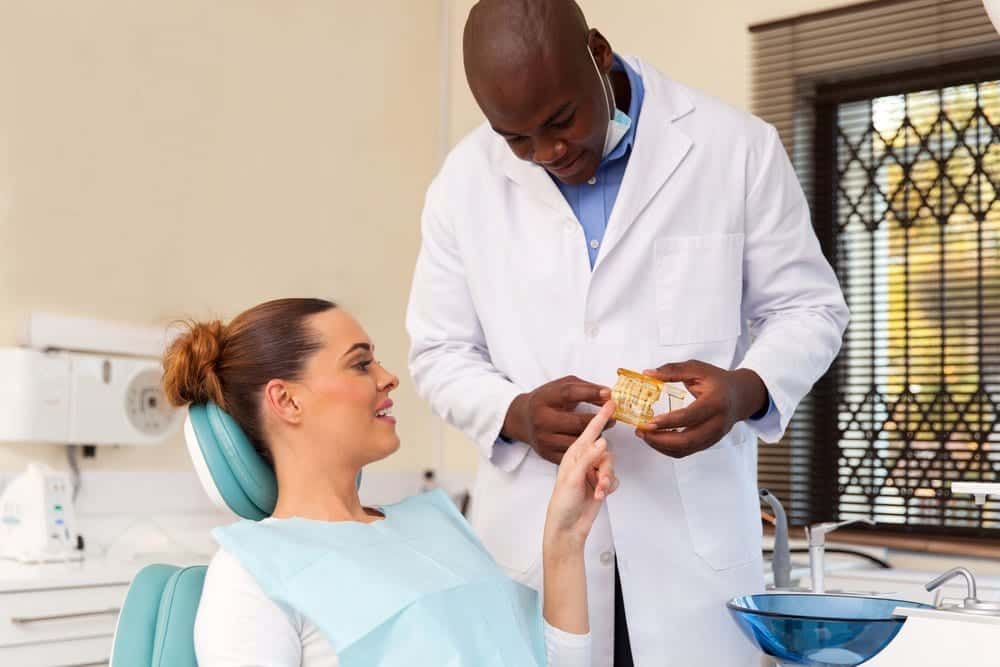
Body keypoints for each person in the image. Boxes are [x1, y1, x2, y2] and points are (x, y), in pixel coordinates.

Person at [406, 1, 850, 664]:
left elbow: (811, 308)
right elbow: (439, 351)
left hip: (688, 564)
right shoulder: (462, 184)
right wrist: (516, 413)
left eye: (561, 120)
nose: (547, 152)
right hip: (534, 549)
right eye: (516, 139)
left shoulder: (735, 149)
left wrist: (744, 389)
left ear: (599, 52)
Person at [162, 298, 619, 666]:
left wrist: (564, 540)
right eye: (361, 365)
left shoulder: (436, 527)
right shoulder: (252, 573)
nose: (388, 377)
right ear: (287, 400)